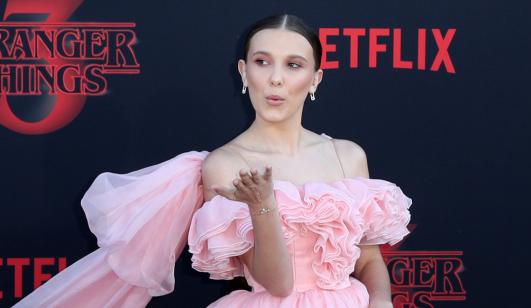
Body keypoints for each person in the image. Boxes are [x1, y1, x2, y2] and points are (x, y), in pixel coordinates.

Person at [13, 14, 412, 308]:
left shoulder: (348, 156)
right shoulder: (224, 165)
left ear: (315, 80)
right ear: (243, 72)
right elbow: (277, 284)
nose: (275, 78)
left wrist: (380, 301)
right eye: (262, 61)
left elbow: (369, 258)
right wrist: (262, 205)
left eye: (293, 65)